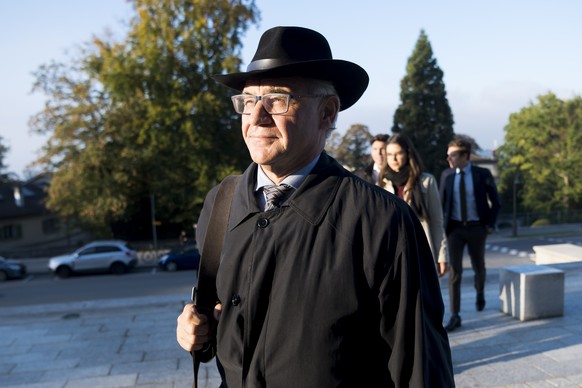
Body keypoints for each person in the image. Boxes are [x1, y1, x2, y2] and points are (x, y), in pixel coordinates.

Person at [176, 26, 455, 387]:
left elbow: (420, 368)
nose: (256, 117)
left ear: (327, 113)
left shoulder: (383, 222)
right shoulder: (221, 202)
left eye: (276, 100)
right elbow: (221, 315)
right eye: (247, 101)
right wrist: (198, 333)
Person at [439, 136, 501, 332]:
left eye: (453, 155)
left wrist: (488, 225)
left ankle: (480, 291)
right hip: (455, 229)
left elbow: (496, 202)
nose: (449, 159)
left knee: (478, 266)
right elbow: (441, 204)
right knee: (455, 272)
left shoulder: (482, 174)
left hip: (477, 228)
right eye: (448, 155)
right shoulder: (446, 175)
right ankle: (455, 315)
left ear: (465, 156)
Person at [379, 133, 448, 277]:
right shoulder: (381, 184)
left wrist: (442, 256)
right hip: (390, 253)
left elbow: (436, 221)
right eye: (390, 154)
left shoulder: (425, 181)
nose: (394, 159)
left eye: (398, 153)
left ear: (407, 153)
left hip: (420, 248)